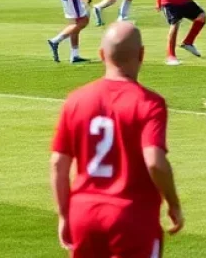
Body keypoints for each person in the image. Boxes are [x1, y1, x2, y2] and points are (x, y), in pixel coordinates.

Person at [50, 22, 184, 257]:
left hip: (85, 215)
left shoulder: (76, 100)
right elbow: (154, 161)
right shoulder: (149, 103)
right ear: (141, 54)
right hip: (131, 217)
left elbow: (58, 164)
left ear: (102, 54)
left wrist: (64, 215)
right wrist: (173, 203)